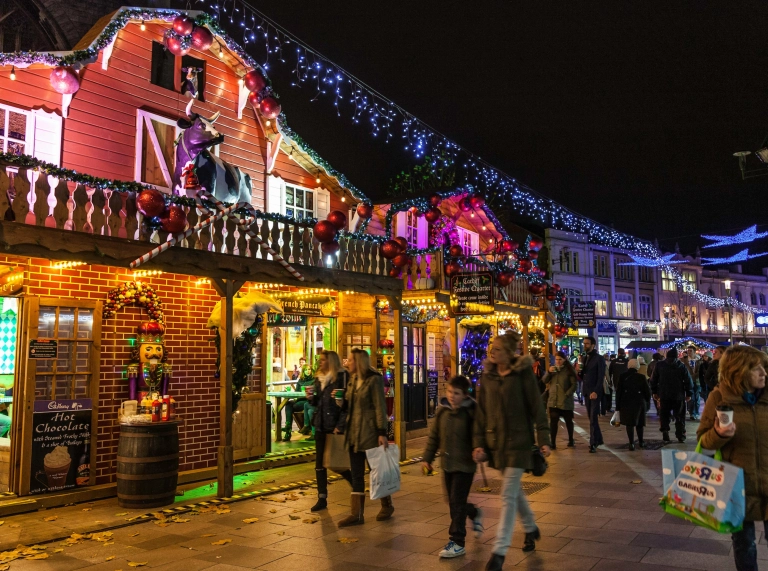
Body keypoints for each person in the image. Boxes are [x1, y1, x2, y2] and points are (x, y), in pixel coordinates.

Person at [472, 333, 551, 571]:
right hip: (497, 444)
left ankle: (499, 552)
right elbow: (481, 412)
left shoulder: (522, 374)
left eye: (496, 349)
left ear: (509, 352)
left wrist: (544, 437)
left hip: (519, 441)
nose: (492, 352)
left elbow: (536, 407)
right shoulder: (488, 375)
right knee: (513, 490)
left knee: (507, 495)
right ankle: (530, 527)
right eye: (491, 349)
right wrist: (479, 443)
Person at [697, 346, 768, 571]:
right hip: (737, 486)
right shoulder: (719, 398)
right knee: (745, 545)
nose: (764, 374)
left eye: (764, 368)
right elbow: (703, 444)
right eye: (757, 369)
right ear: (739, 371)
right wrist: (718, 435)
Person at [422, 375, 483, 559]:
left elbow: (478, 434)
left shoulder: (471, 412)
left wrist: (478, 448)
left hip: (465, 465)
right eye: (449, 391)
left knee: (456, 502)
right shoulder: (443, 412)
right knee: (453, 501)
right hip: (447, 464)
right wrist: (427, 458)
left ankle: (457, 541)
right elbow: (434, 437)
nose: (451, 396)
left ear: (464, 395)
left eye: (456, 393)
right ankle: (473, 512)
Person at [338, 349, 392, 527]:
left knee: (377, 472)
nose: (348, 362)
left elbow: (379, 407)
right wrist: (341, 402)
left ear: (359, 362)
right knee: (357, 475)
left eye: (351, 360)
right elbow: (349, 404)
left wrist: (382, 432)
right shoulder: (352, 379)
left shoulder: (373, 379)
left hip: (369, 433)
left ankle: (387, 505)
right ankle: (356, 514)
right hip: (354, 433)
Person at [306, 351, 352, 511]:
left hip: (334, 425)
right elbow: (318, 403)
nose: (320, 362)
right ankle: (322, 498)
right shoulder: (318, 379)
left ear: (331, 361)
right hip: (320, 424)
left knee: (336, 463)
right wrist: (311, 398)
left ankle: (355, 485)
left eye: (323, 360)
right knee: (319, 463)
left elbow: (347, 404)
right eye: (320, 360)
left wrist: (340, 425)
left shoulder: (342, 376)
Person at [650, 348, 693, 443]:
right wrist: (689, 393)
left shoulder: (659, 365)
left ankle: (665, 430)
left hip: (664, 394)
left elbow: (653, 380)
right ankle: (680, 434)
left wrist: (654, 392)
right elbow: (688, 381)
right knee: (679, 416)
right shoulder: (681, 366)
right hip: (678, 395)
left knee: (664, 414)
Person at [615, 359, 652, 450]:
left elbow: (619, 392)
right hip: (639, 402)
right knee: (639, 423)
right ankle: (641, 441)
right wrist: (647, 402)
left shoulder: (622, 376)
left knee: (629, 424)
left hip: (626, 402)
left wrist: (617, 405)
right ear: (637, 366)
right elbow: (647, 392)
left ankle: (631, 443)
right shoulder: (641, 377)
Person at [544, 351, 577, 449]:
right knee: (553, 422)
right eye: (556, 359)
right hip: (553, 400)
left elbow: (574, 384)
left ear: (564, 360)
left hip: (565, 401)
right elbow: (544, 380)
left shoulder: (569, 370)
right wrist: (549, 372)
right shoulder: (553, 370)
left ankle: (571, 439)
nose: (558, 361)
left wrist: (567, 394)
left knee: (568, 421)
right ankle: (553, 442)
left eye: (560, 359)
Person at [581, 337, 606, 453]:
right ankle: (598, 439)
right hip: (586, 392)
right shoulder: (585, 358)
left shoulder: (599, 359)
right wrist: (578, 371)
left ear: (593, 345)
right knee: (591, 417)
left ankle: (593, 443)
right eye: (584, 343)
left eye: (587, 344)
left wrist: (596, 391)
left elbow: (601, 376)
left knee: (593, 418)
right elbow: (583, 376)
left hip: (595, 392)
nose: (585, 345)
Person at [608, 349, 629, 414]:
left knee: (617, 394)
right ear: (623, 353)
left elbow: (610, 372)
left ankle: (617, 408)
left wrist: (610, 382)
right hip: (626, 380)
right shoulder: (627, 361)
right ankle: (625, 408)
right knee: (625, 394)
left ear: (618, 353)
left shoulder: (614, 361)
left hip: (616, 380)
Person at [682, 352, 700, 421]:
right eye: (688, 350)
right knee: (691, 398)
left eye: (690, 350)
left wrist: (692, 376)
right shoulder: (683, 360)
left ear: (694, 351)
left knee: (697, 398)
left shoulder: (699, 360)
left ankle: (696, 412)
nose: (689, 352)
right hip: (688, 382)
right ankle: (692, 413)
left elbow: (699, 371)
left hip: (697, 382)